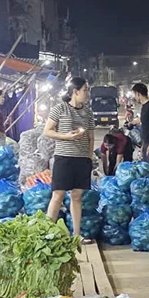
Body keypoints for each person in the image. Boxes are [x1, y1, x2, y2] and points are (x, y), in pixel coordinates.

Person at [43, 77, 95, 242]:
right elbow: (48, 131)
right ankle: (47, 235)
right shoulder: (60, 108)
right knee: (58, 195)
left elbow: (91, 136)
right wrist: (66, 137)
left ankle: (76, 235)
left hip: (81, 159)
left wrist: (89, 156)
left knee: (77, 196)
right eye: (85, 90)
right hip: (64, 158)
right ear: (75, 91)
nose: (87, 93)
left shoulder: (88, 112)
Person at [131, 83, 149, 181]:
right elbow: (145, 122)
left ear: (138, 94)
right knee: (146, 169)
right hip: (147, 142)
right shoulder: (144, 106)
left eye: (135, 94)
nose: (135, 97)